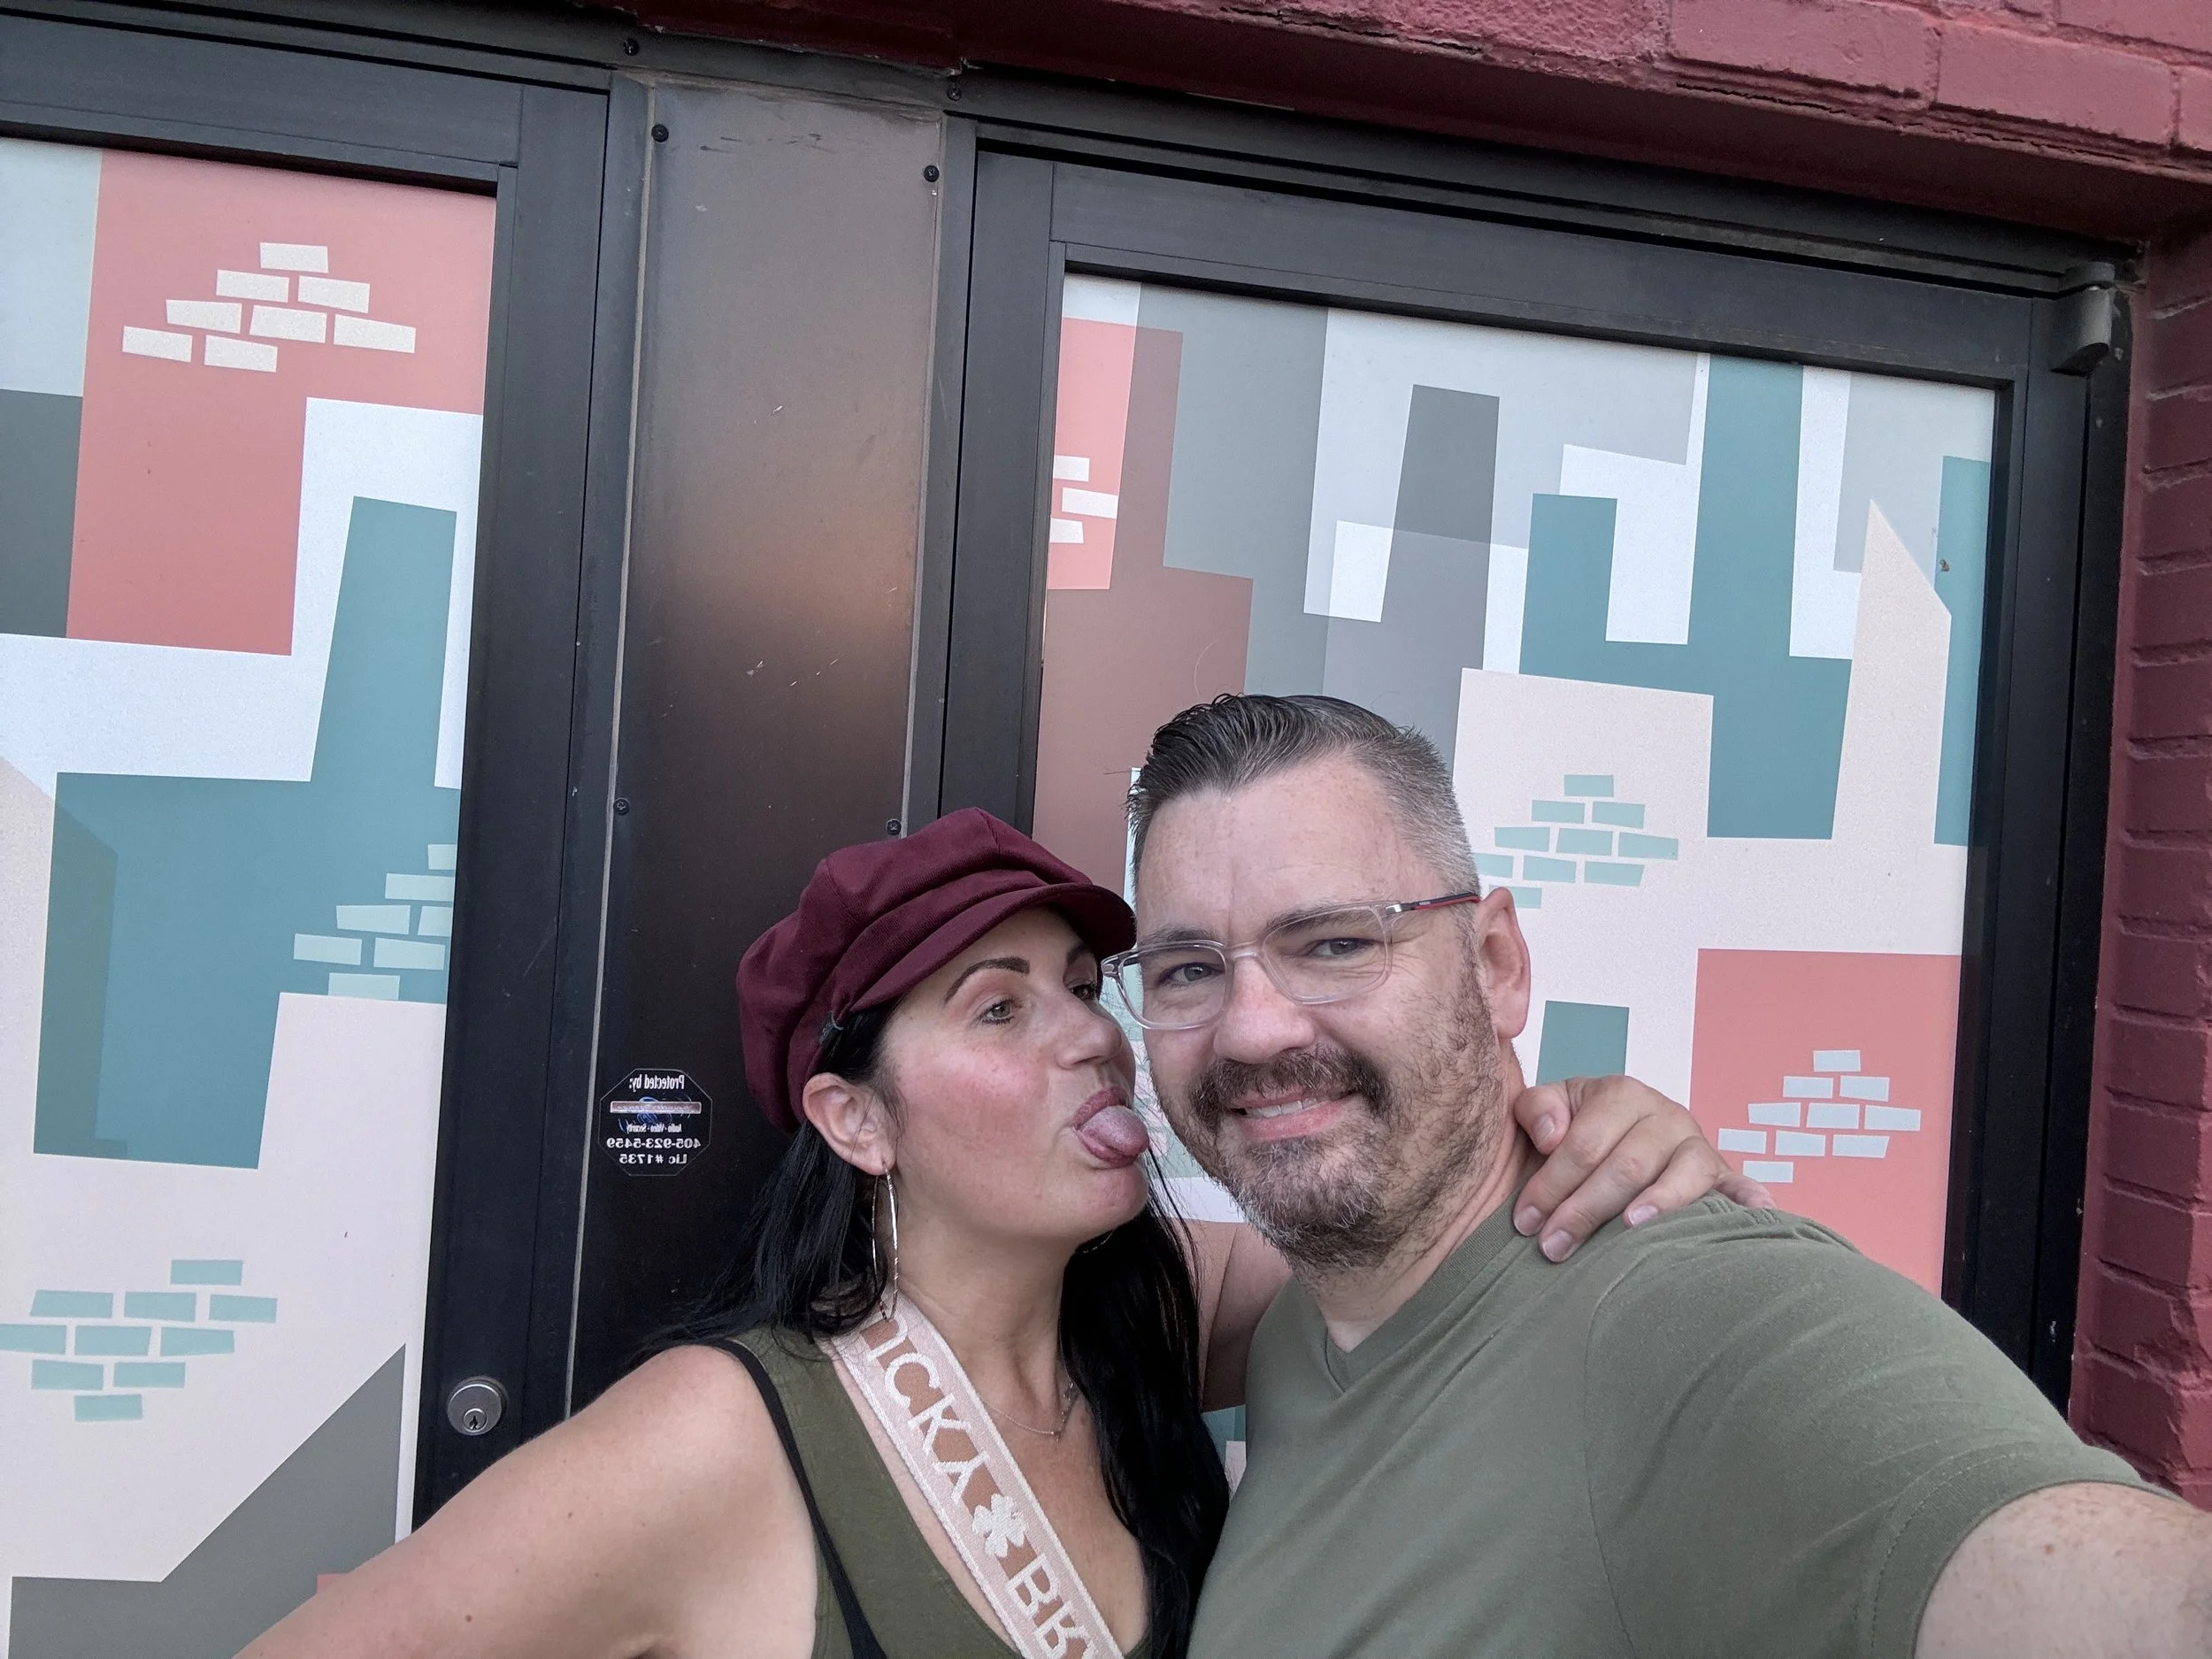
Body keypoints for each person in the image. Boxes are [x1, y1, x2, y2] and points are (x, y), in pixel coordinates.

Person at [236, 807, 1753, 1659]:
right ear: (856, 1121)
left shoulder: (1159, 1318)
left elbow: (1434, 1235)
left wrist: (1600, 1130)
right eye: (999, 1009)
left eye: (1086, 989)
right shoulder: (719, 1436)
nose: (1091, 1042)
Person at [1114, 692, 2212, 1659]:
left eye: (1337, 942)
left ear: (1495, 965)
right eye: (1188, 969)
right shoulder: (1297, 1334)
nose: (1252, 1030)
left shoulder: (1698, 1318)